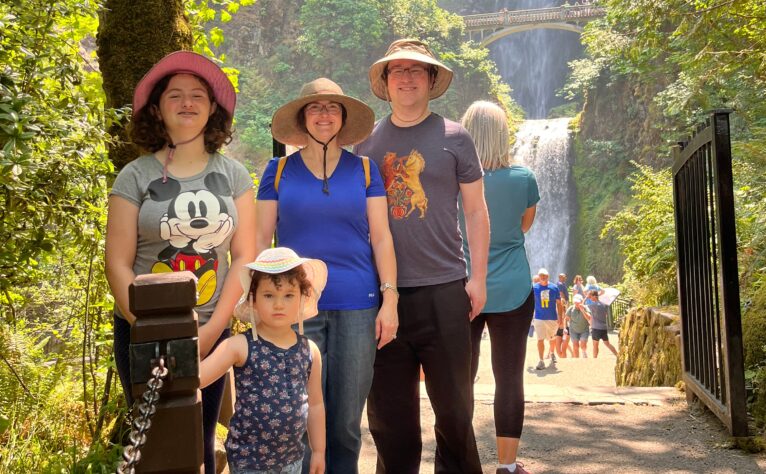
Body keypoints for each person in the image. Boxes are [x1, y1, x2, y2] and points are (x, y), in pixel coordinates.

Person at [105, 51, 256, 474]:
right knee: (154, 440)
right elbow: (117, 262)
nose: (187, 102)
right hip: (141, 330)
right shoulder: (135, 175)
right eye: (175, 95)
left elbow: (244, 256)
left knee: (201, 438)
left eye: (197, 95)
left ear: (212, 109)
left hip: (210, 327)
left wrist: (211, 330)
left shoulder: (234, 175)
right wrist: (148, 328)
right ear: (157, 109)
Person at [355, 39, 490, 473]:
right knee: (390, 418)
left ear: (432, 80)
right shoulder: (366, 144)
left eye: (417, 70)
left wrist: (478, 278)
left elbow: (476, 210)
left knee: (455, 412)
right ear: (385, 81)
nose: (407, 78)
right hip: (384, 296)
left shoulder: (455, 137)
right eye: (398, 70)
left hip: (445, 289)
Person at [255, 77, 397, 473]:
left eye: (332, 107)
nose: (324, 114)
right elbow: (260, 240)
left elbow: (381, 237)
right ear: (302, 117)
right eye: (315, 107)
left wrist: (390, 298)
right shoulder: (278, 172)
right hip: (296, 307)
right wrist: (253, 299)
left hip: (358, 304)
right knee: (299, 414)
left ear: (343, 118)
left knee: (346, 421)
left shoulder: (365, 170)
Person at [460, 101, 538, 474]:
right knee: (509, 377)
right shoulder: (524, 178)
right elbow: (524, 226)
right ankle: (507, 466)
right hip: (513, 288)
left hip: (462, 287)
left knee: (460, 378)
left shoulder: (454, 181)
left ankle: (461, 460)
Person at [200, 247, 326, 474]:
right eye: (269, 295)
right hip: (248, 462)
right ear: (253, 300)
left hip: (291, 462)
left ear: (302, 298)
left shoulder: (310, 351)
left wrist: (318, 451)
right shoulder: (240, 345)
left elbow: (315, 405)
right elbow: (198, 377)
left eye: (289, 295)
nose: (279, 304)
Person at [532, 268, 564, 370]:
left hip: (552, 318)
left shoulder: (554, 287)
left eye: (545, 275)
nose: (543, 277)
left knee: (552, 338)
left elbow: (559, 304)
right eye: (541, 275)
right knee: (540, 339)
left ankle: (552, 352)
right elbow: (529, 303)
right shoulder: (534, 288)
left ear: (548, 276)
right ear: (538, 276)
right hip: (539, 318)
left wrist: (560, 317)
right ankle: (541, 361)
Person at [585, 290, 618, 357]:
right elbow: (606, 315)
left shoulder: (593, 305)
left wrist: (585, 298)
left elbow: (582, 306)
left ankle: (595, 359)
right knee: (607, 344)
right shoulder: (604, 305)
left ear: (594, 296)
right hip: (603, 328)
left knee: (595, 345)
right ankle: (617, 355)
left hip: (596, 328)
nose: (590, 298)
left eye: (590, 296)